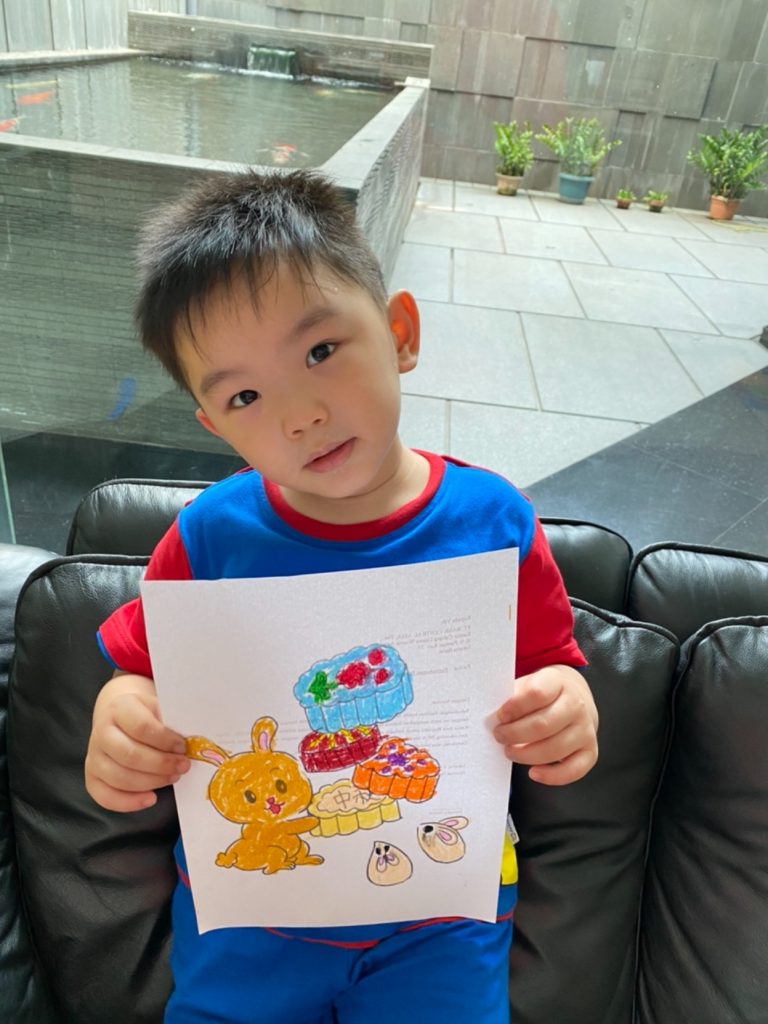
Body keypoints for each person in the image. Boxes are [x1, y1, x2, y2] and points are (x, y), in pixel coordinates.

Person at [85, 169, 598, 1024]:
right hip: (249, 916)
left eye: (321, 351)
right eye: (245, 396)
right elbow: (140, 673)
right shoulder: (209, 537)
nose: (299, 415)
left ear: (399, 334)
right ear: (215, 425)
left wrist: (566, 707)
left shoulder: (493, 521)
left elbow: (551, 665)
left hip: (441, 913)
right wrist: (122, 720)